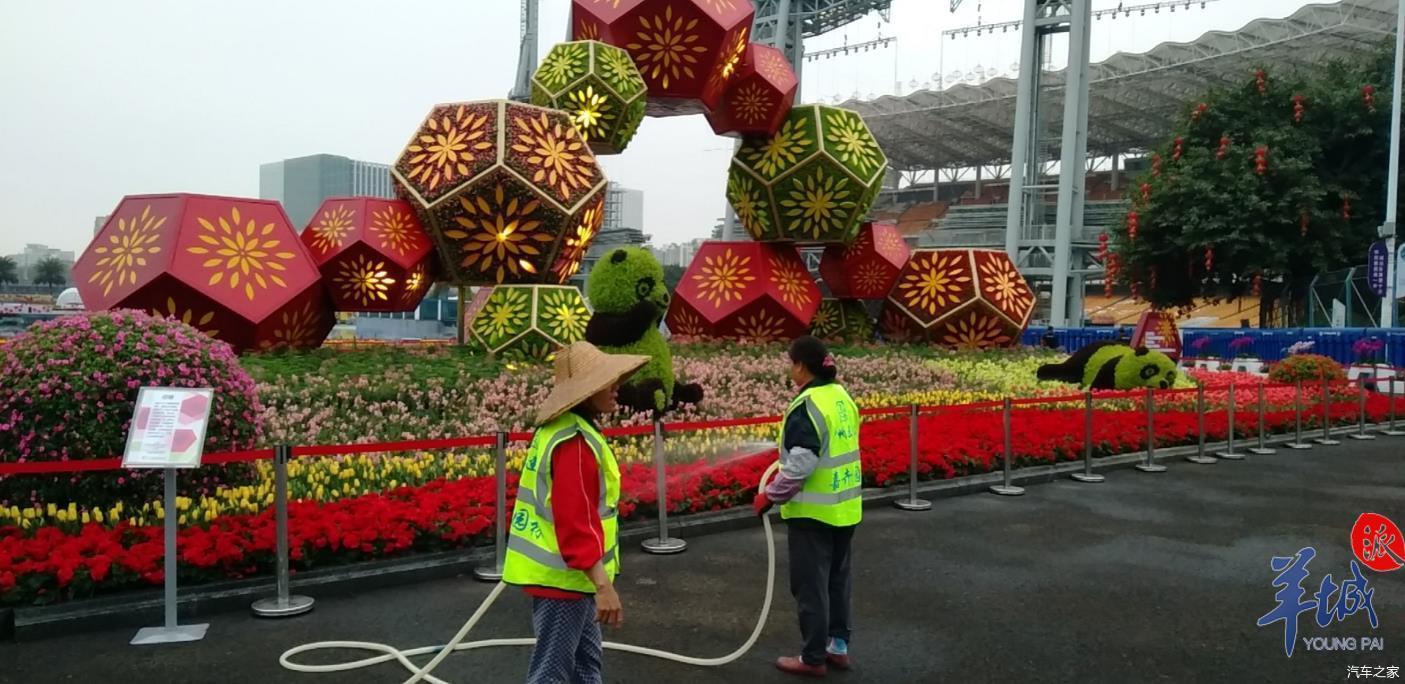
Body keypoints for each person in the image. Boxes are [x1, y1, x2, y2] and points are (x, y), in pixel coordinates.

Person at [502, 341, 650, 684]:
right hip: (566, 582)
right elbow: (574, 523)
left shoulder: (565, 430)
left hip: (572, 580)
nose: (617, 388)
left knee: (586, 666)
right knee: (552, 674)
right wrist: (603, 586)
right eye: (608, 382)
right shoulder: (573, 443)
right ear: (586, 392)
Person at [753, 336, 863, 677]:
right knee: (837, 582)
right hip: (846, 509)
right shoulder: (841, 396)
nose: (790, 369)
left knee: (811, 587)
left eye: (791, 362)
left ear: (801, 366)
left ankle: (813, 658)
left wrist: (770, 495)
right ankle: (838, 647)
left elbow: (801, 464)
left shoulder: (807, 405)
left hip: (813, 514)